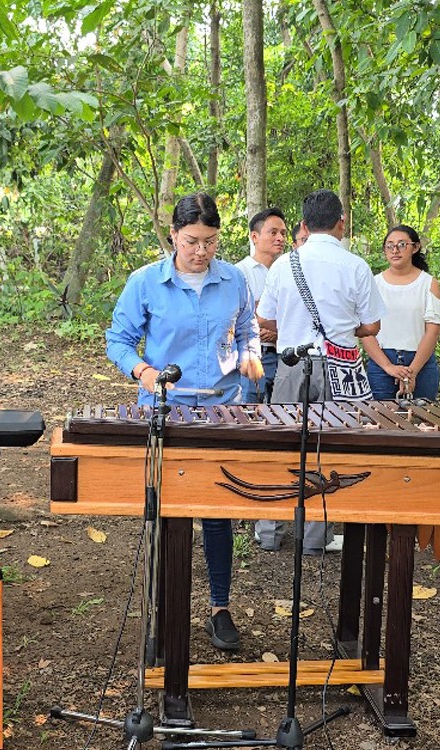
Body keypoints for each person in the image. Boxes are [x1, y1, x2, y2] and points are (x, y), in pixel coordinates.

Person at [106, 192, 262, 651]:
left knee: (217, 513)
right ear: (173, 235)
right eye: (192, 241)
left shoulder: (234, 279)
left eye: (210, 242)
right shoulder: (145, 283)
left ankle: (219, 608)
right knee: (165, 512)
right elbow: (118, 340)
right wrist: (144, 372)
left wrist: (250, 355)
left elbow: (248, 330)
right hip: (164, 411)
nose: (201, 251)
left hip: (222, 409)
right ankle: (160, 610)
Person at [255, 189, 384, 554]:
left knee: (282, 445)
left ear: (304, 225)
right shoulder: (356, 266)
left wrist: (293, 326)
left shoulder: (284, 265)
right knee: (326, 450)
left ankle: (269, 532)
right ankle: (315, 537)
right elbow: (372, 326)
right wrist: (341, 328)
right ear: (341, 223)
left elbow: (264, 318)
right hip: (339, 368)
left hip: (291, 365)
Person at [361, 225, 440, 400]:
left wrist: (412, 372)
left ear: (415, 247)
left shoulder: (429, 283)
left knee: (422, 416)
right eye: (390, 246)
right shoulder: (374, 284)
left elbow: (433, 331)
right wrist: (388, 366)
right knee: (382, 416)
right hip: (382, 364)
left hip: (421, 364)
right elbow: (365, 331)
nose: (395, 250)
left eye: (402, 245)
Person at [236, 207, 288, 402]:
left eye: (283, 233)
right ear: (254, 237)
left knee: (284, 412)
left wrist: (276, 331)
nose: (280, 238)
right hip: (253, 355)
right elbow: (240, 314)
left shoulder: (288, 271)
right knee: (249, 410)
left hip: (285, 355)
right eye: (273, 232)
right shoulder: (240, 272)